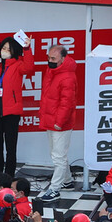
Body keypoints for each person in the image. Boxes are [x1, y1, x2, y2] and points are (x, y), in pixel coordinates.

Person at [0, 35, 34, 177]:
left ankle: (9, 176)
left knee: (11, 147)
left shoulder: (18, 65)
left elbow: (29, 67)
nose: (5, 51)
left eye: (8, 49)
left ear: (14, 51)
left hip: (12, 113)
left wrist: (27, 48)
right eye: (3, 48)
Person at [38, 44, 78, 202]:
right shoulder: (52, 70)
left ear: (63, 58)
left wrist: (59, 122)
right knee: (58, 154)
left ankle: (55, 189)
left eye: (53, 58)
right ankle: (67, 181)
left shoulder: (68, 76)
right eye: (48, 57)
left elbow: (67, 103)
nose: (49, 60)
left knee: (58, 157)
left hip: (60, 123)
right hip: (51, 120)